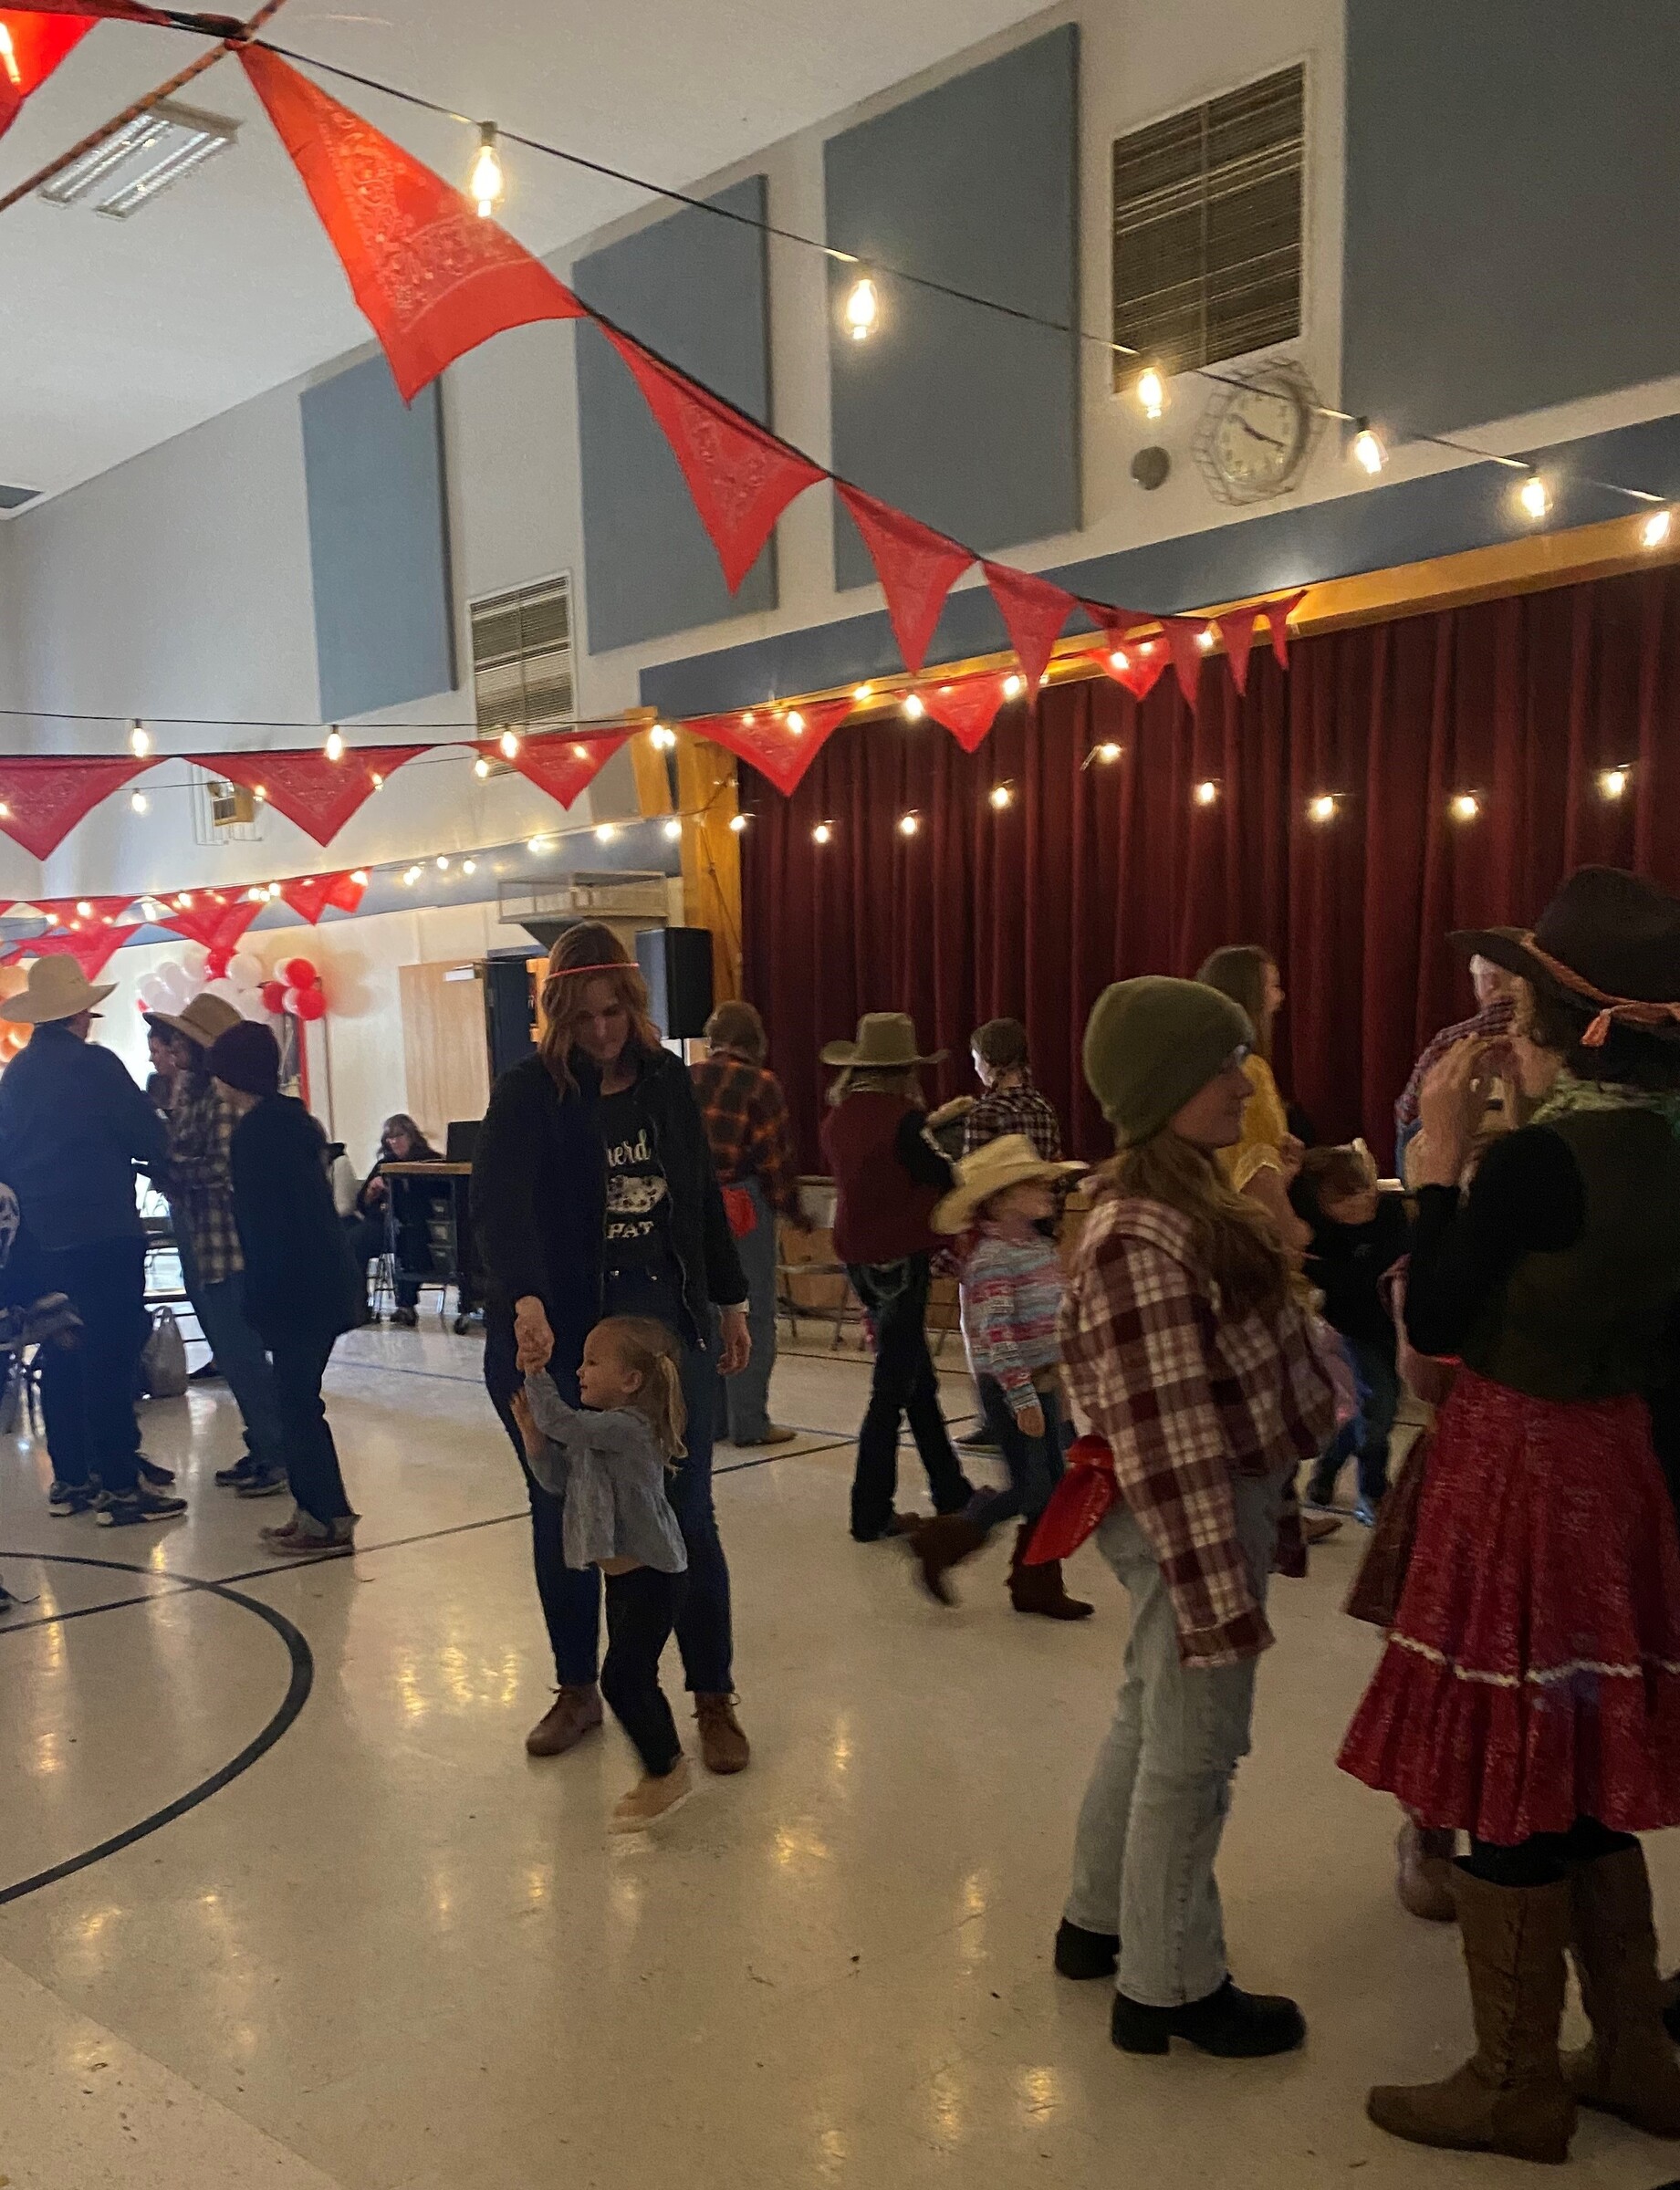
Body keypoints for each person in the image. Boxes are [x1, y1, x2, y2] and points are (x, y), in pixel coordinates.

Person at [1340, 867, 1680, 2163]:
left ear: (1551, 1023)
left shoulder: (1539, 1160)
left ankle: (1514, 2080)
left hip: (1519, 1483)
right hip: (1617, 1477)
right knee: (1585, 1774)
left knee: (1512, 1779)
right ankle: (1638, 2052)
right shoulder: (1660, 1142)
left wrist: (1433, 1167)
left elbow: (1431, 1326)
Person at [1051, 976, 1336, 2060]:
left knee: (1148, 1713)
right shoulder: (1140, 1238)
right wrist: (1218, 1598)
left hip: (1209, 1505)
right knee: (1194, 1747)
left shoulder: (1187, 1208)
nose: (1239, 1084)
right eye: (1218, 1067)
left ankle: (1098, 1920)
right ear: (1161, 1088)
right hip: (1191, 1521)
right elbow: (1170, 1449)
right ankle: (1167, 1986)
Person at [472, 923, 753, 1776]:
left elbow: (698, 1192)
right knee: (564, 1513)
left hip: (662, 1327)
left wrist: (730, 1299)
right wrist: (524, 1298)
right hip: (557, 1328)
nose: (601, 1031)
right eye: (584, 1016)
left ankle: (711, 1696)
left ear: (634, 1008)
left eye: (614, 1013)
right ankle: (576, 1688)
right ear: (558, 1016)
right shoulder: (529, 1093)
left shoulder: (666, 1080)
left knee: (686, 1514)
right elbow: (499, 1206)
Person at [0, 954, 184, 1527]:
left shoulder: (16, 1076)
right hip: (103, 1231)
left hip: (40, 1240)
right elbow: (146, 1133)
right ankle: (121, 1488)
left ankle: (72, 1479)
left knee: (61, 1352)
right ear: (80, 1013)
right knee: (110, 1355)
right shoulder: (98, 1066)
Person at [512, 1316, 693, 1832]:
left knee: (624, 1678)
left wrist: (535, 1370)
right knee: (631, 1678)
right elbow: (557, 1484)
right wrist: (533, 1440)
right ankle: (666, 1768)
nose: (579, 1370)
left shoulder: (628, 1428)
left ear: (632, 1381)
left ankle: (667, 1769)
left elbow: (565, 1422)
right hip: (624, 1578)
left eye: (592, 1362)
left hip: (655, 1577)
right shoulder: (600, 1436)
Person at [909, 1134, 1090, 1617]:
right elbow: (996, 1336)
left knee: (1051, 1484)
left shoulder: (1038, 1247)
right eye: (1035, 1184)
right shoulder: (991, 1260)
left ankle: (1037, 1583)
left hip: (1044, 1381)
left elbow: (1054, 1319)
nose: (1050, 1192)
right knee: (1032, 1486)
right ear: (1001, 1200)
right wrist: (1023, 1397)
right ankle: (945, 1540)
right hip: (1012, 1386)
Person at [1197, 944, 1338, 1546]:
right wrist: (1291, 1230)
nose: (1281, 997)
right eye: (1272, 986)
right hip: (1247, 1250)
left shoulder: (1197, 1071)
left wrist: (1280, 1172)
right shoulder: (1247, 1072)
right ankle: (1265, 1515)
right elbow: (1250, 1179)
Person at [207, 1021, 362, 1557]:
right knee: (298, 1402)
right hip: (322, 1284)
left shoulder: (255, 1135)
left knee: (295, 1404)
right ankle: (318, 1510)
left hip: (295, 1290)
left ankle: (324, 1518)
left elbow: (266, 1227)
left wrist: (259, 1298)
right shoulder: (295, 1123)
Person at [819, 1014, 974, 1544]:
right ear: (905, 1068)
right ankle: (870, 1511)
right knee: (891, 1389)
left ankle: (951, 1487)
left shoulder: (839, 1117)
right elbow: (944, 1174)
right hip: (900, 1261)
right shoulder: (904, 1121)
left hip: (857, 1257)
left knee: (914, 1379)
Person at [148, 994, 288, 1498]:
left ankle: (277, 1452)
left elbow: (229, 1169)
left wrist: (173, 1172)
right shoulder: (190, 1095)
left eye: (179, 1042)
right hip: (202, 1239)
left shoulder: (219, 1101)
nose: (169, 1051)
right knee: (231, 1354)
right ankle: (265, 1444)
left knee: (242, 1353)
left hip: (225, 1243)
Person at [691, 1000, 803, 1448]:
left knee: (706, 1313)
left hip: (691, 1208)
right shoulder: (762, 1083)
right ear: (755, 1041)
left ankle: (714, 1421)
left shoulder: (687, 1077)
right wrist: (792, 1209)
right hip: (743, 1206)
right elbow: (773, 1160)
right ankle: (750, 1423)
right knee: (752, 1314)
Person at [1292, 1144, 1411, 1526]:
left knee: (1369, 1412)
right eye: (1342, 1196)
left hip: (1391, 1329)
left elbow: (1386, 1268)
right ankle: (1373, 1491)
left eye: (1361, 1186)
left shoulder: (1392, 1212)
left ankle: (1326, 1472)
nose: (1360, 1199)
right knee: (1380, 1408)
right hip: (1348, 1334)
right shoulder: (1317, 1235)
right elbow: (1354, 1280)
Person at [1393, 935, 1520, 1178]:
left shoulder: (1453, 1041)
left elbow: (1406, 1110)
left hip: (1457, 1166)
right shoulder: (1552, 1036)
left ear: (1490, 982)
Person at [345, 1114, 443, 1326]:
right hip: (382, 1223)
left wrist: (398, 1192)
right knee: (353, 1240)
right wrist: (370, 1193)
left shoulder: (431, 1160)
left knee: (407, 1237)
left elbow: (434, 1201)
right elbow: (362, 1204)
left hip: (418, 1225)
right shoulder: (385, 1163)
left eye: (399, 1136)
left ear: (412, 1136)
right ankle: (358, 1306)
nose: (393, 1142)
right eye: (389, 1138)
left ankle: (406, 1305)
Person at [962, 1017, 1065, 1160]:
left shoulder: (983, 1114)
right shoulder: (1043, 1107)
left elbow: (972, 1175)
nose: (975, 1067)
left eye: (976, 1059)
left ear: (987, 1060)